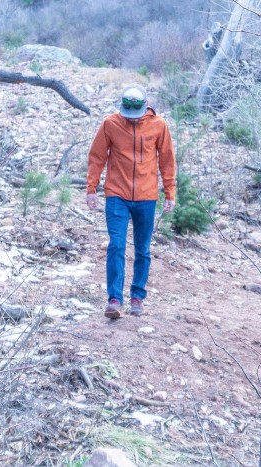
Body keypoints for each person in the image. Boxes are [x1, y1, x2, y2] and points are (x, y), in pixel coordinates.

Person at [86, 85, 177, 319]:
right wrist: (91, 188)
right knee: (116, 244)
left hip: (147, 197)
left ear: (146, 106)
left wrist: (170, 193)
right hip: (117, 194)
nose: (132, 120)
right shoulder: (110, 124)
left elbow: (167, 161)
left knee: (143, 250)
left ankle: (137, 297)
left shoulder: (159, 125)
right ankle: (114, 299)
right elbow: (97, 157)